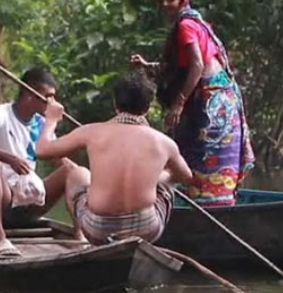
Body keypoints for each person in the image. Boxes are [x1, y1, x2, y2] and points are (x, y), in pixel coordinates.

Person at [130, 0, 254, 206]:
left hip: (212, 102)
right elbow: (179, 67)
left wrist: (179, 103)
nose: (165, 4)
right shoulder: (192, 22)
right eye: (162, 0)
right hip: (219, 98)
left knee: (204, 155)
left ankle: (209, 206)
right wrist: (147, 66)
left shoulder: (186, 26)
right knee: (198, 156)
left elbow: (197, 65)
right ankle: (211, 203)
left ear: (182, 0)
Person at [35, 72, 192, 244]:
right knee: (167, 183)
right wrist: (159, 177)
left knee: (77, 174)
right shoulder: (164, 142)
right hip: (146, 230)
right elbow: (185, 176)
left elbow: (41, 150)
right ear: (147, 108)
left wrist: (51, 121)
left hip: (98, 229)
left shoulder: (91, 132)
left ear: (115, 104)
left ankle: (82, 237)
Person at [0, 68, 73, 257]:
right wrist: (9, 158)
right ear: (30, 93)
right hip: (0, 200)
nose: (53, 103)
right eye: (48, 96)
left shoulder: (41, 123)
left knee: (73, 171)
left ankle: (82, 237)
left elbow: (59, 161)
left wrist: (81, 174)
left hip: (30, 200)